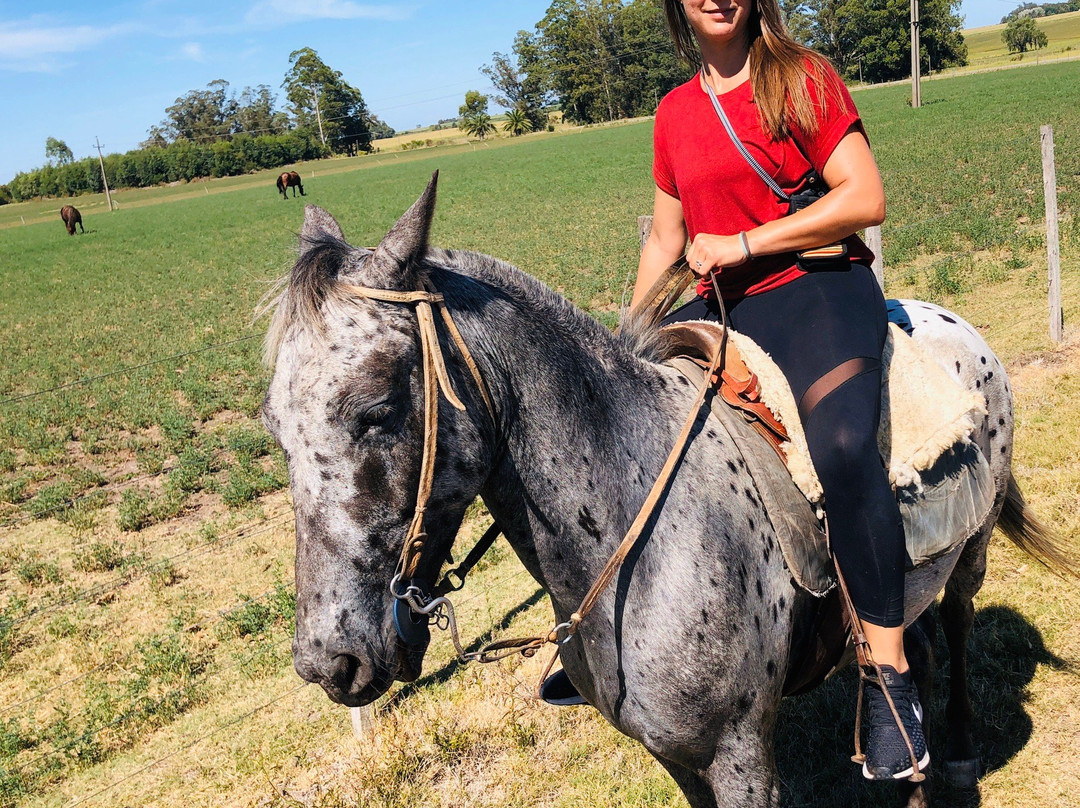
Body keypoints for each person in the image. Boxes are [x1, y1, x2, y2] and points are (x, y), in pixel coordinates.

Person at [542, 0, 928, 784]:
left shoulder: (802, 78)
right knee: (624, 437)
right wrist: (619, 347)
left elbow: (864, 197)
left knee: (847, 446)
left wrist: (749, 241)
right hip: (720, 301)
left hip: (813, 287)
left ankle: (889, 673)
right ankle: (602, 639)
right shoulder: (676, 112)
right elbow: (666, 237)